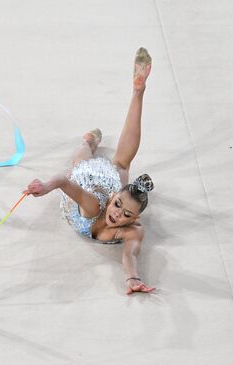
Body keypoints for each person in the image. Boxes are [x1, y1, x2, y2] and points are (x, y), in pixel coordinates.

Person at [24, 47, 156, 295]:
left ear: (135, 219)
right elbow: (64, 181)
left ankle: (138, 91)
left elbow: (130, 256)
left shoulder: (134, 230)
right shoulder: (95, 206)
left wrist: (132, 279)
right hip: (91, 180)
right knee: (82, 160)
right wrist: (44, 186)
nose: (117, 215)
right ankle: (90, 142)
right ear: (114, 199)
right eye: (118, 205)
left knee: (122, 167)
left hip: (110, 187)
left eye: (126, 214)